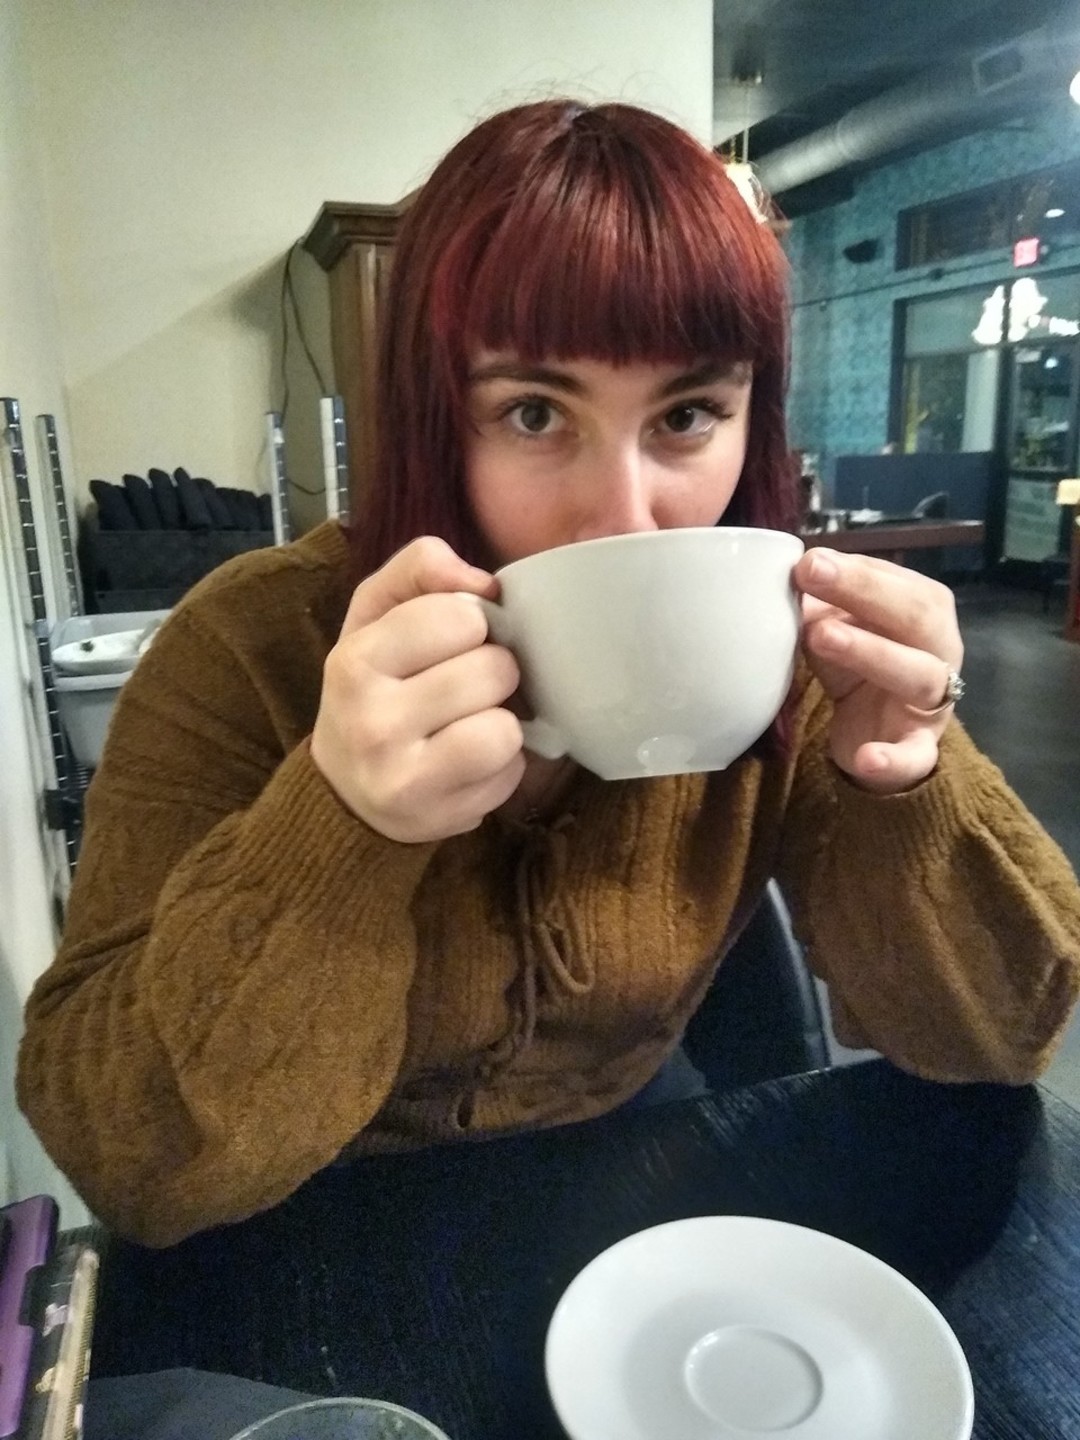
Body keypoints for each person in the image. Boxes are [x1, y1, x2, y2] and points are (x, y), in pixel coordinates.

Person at [17, 100, 1080, 1248]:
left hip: (629, 1160)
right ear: (438, 418)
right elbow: (124, 1154)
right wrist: (339, 825)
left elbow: (999, 1039)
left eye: (688, 414)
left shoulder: (788, 644)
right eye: (534, 413)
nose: (624, 516)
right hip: (310, 1207)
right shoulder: (250, 645)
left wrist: (907, 780)